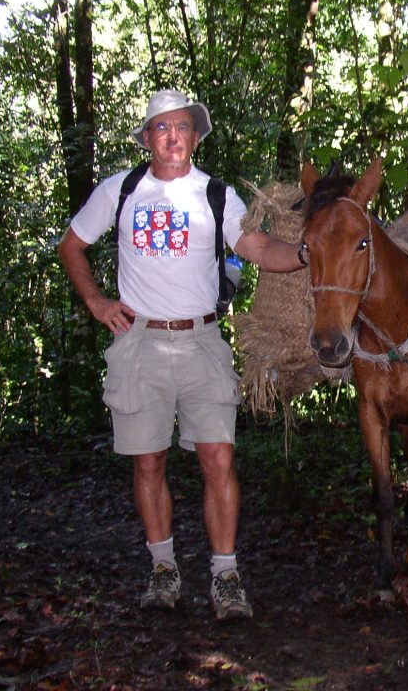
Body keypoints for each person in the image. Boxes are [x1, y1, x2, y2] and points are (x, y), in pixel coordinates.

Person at [58, 89, 308, 619]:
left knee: (218, 457)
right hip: (140, 342)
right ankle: (164, 570)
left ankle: (225, 575)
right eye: (162, 128)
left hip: (202, 341)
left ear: (196, 136)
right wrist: (96, 300)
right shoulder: (121, 190)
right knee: (148, 461)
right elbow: (72, 244)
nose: (173, 136)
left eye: (183, 127)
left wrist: (309, 254)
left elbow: (257, 248)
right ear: (148, 138)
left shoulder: (216, 196)